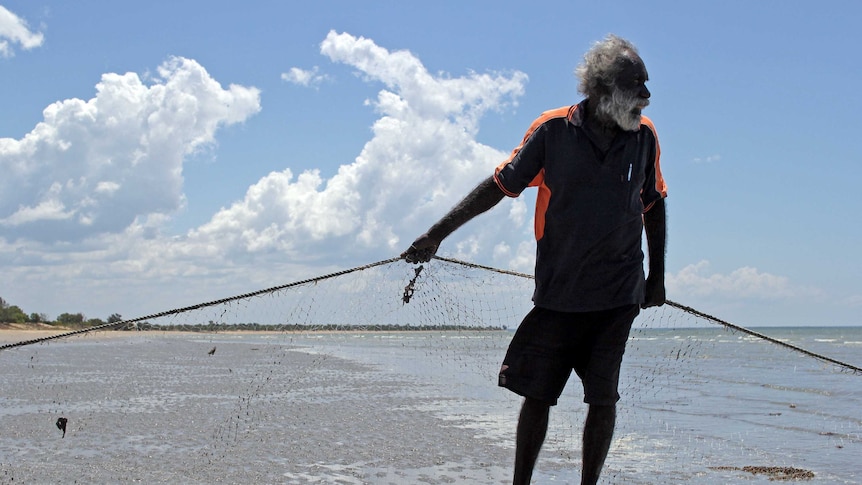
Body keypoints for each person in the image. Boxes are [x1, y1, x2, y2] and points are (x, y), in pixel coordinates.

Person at [401, 34, 667, 484]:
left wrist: (656, 277)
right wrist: (436, 235)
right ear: (601, 90)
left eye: (646, 83)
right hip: (559, 293)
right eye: (635, 84)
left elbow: (654, 204)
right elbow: (499, 186)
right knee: (538, 396)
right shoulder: (553, 131)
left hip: (618, 294)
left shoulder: (644, 136)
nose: (646, 95)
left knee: (603, 398)